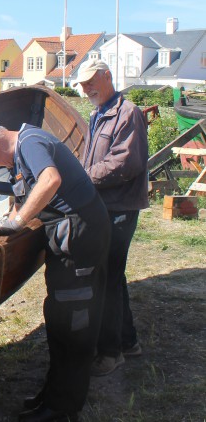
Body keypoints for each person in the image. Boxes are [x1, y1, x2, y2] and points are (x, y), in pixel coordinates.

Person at [0, 119, 110, 422]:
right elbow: (21, 198)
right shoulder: (20, 155)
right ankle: (53, 395)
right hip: (67, 241)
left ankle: (64, 409)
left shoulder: (30, 143)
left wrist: (18, 222)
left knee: (74, 322)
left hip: (80, 239)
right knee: (58, 314)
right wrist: (0, 227)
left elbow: (50, 180)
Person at [78, 60, 148, 376]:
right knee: (114, 278)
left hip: (119, 208)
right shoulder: (98, 114)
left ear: (108, 77)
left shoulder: (127, 113)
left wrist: (82, 178)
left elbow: (124, 163)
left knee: (105, 279)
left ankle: (110, 352)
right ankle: (128, 341)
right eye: (82, 84)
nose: (86, 88)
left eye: (91, 81)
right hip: (105, 206)